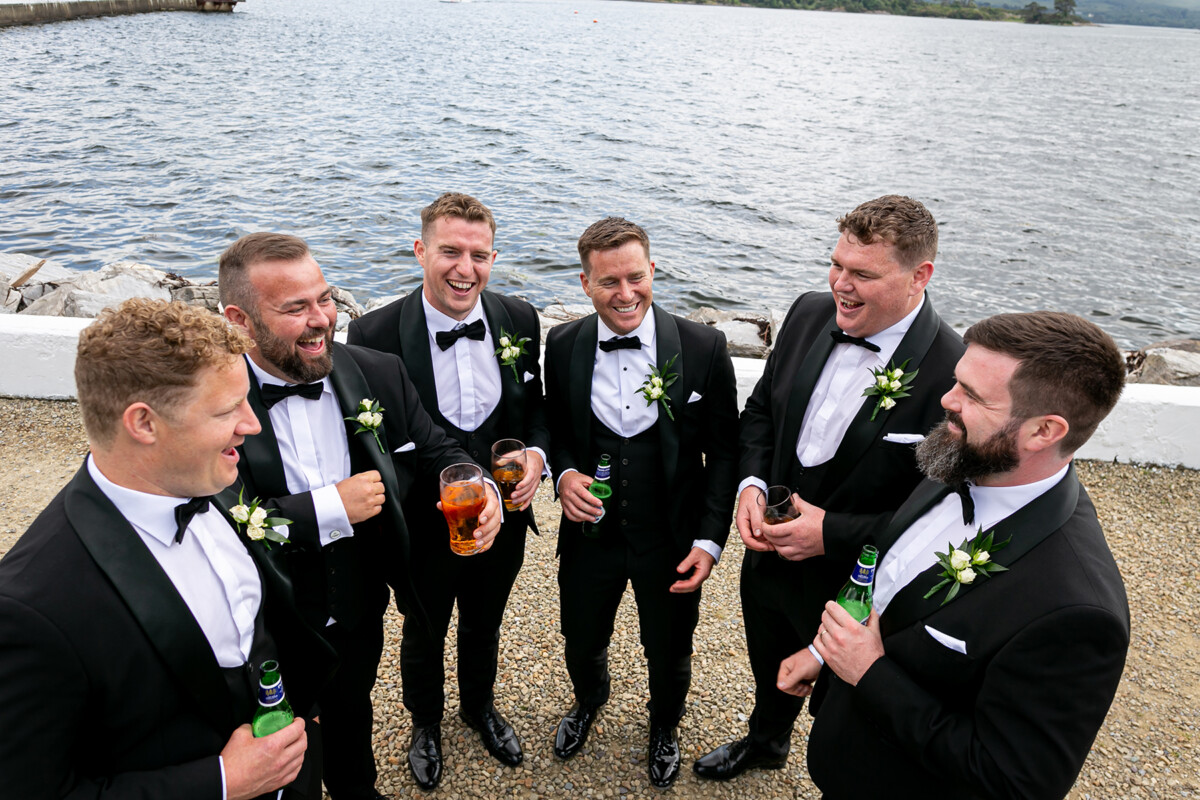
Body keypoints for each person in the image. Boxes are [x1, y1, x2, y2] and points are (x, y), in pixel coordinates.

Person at [777, 311, 1130, 798]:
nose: (947, 400)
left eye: (973, 395)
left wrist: (870, 674)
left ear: (1044, 431)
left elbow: (1011, 781)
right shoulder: (959, 457)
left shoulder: (1075, 610)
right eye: (956, 382)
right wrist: (825, 653)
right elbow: (895, 574)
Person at [0, 298, 336, 800]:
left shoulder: (208, 478)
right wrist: (223, 782)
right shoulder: (30, 608)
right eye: (227, 410)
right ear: (145, 424)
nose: (253, 425)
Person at [219, 232, 502, 800]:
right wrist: (331, 507)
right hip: (262, 624)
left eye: (324, 298)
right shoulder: (212, 395)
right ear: (240, 321)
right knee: (276, 754)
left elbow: (436, 446)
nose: (321, 319)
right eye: (295, 308)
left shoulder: (377, 372)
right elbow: (219, 518)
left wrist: (481, 485)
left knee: (353, 715)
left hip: (358, 608)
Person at [695, 195, 965, 780]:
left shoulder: (955, 370)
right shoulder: (808, 312)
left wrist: (831, 534)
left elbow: (945, 512)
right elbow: (763, 411)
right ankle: (766, 742)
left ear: (921, 276)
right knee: (769, 661)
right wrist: (750, 483)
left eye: (862, 273)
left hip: (861, 587)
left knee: (847, 717)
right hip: (768, 558)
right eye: (837, 264)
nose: (839, 283)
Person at [347, 193, 548, 790]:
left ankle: (479, 708)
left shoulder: (518, 318)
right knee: (423, 625)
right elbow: (373, 439)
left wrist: (536, 457)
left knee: (486, 621)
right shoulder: (374, 332)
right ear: (420, 251)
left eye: (479, 255)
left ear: (494, 257)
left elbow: (535, 410)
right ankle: (425, 723)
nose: (466, 268)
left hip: (506, 514)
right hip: (421, 521)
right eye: (450, 252)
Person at [544, 217, 738, 788]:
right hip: (589, 537)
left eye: (635, 278)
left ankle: (664, 727)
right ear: (585, 283)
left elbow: (724, 453)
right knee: (580, 636)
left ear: (652, 270)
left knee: (670, 646)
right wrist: (563, 476)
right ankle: (588, 701)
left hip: (671, 538)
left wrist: (709, 540)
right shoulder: (563, 345)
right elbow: (554, 431)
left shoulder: (703, 347)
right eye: (608, 283)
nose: (625, 294)